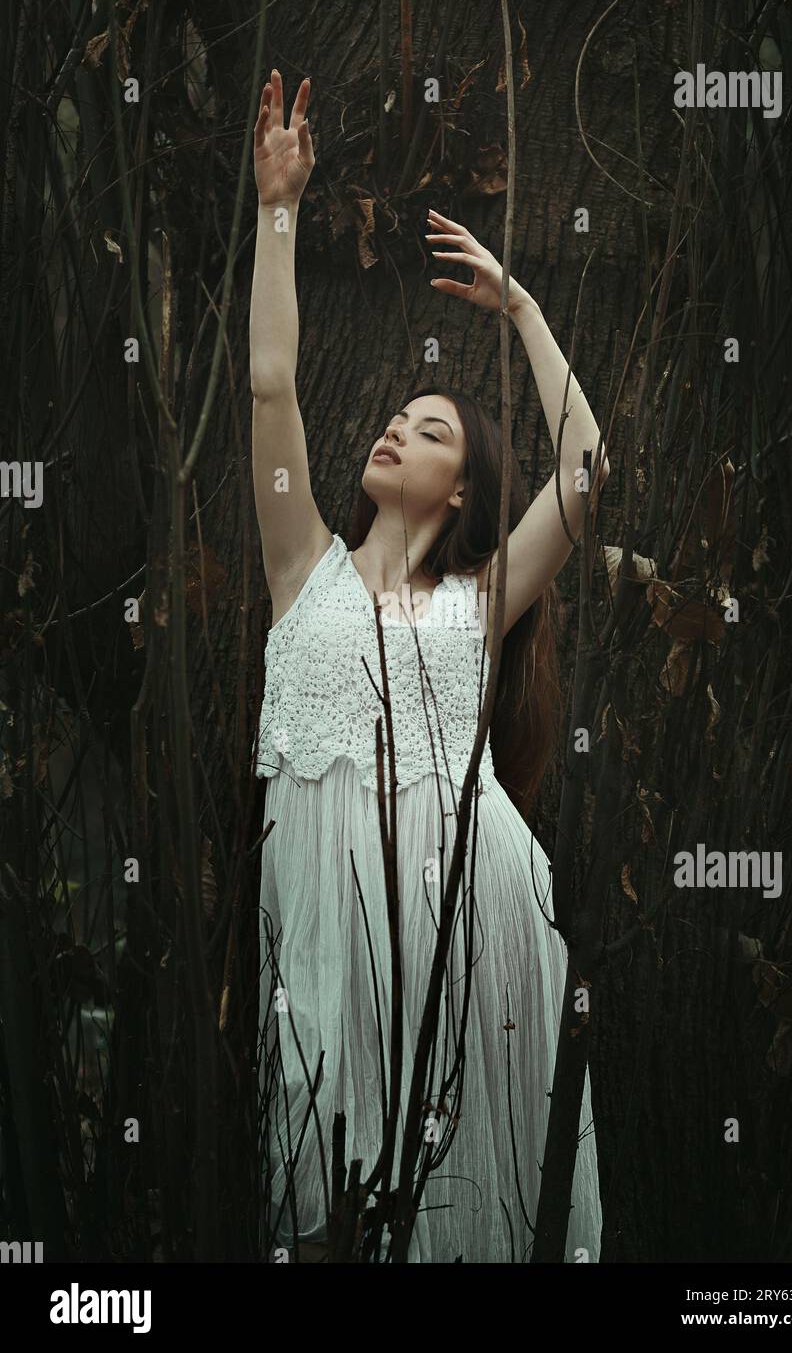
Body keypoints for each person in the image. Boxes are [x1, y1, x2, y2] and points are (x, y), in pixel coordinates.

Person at [250, 69, 609, 1263]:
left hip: (471, 917)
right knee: (328, 1201)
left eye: (433, 426)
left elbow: (588, 472)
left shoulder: (478, 601)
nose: (397, 425)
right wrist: (277, 208)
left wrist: (518, 309)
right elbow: (270, 384)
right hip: (321, 924)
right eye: (398, 414)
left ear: (460, 490)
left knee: (466, 1208)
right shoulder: (301, 565)